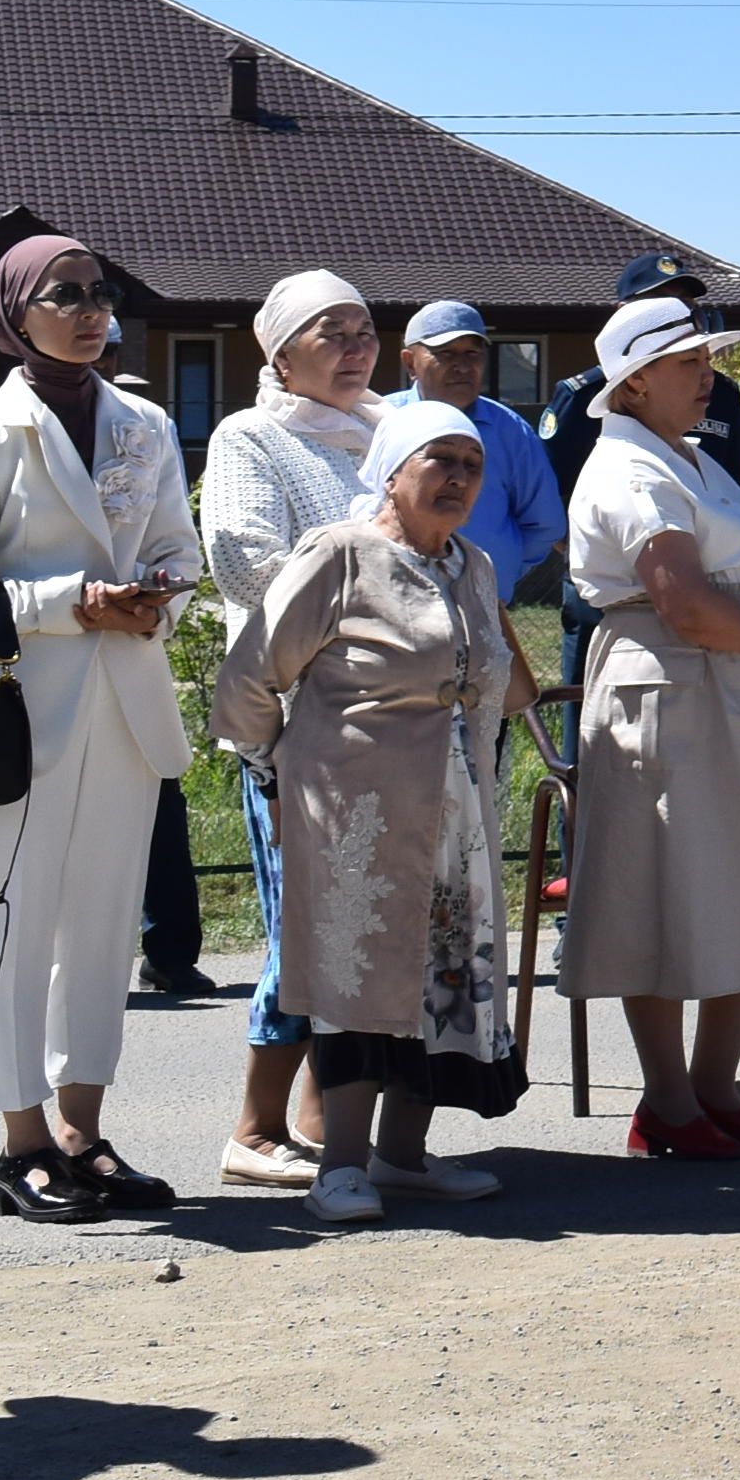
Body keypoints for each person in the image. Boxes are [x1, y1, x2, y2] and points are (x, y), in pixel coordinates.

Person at [0, 233, 207, 1226]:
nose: (90, 311)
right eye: (65, 295)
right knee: (11, 918)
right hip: (20, 715)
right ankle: (22, 1144)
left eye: (100, 293)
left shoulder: (146, 424)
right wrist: (69, 604)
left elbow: (179, 549)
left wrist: (154, 598)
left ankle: (83, 1132)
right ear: (16, 313)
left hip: (127, 705)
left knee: (102, 924)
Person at [206, 397, 533, 1222]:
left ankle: (402, 1158)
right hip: (353, 809)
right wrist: (273, 777)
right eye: (439, 460)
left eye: (471, 465)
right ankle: (340, 1167)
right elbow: (251, 677)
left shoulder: (472, 566)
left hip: (453, 811)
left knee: (438, 973)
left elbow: (497, 682)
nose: (458, 477)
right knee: (356, 974)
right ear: (391, 472)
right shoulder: (340, 554)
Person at [557, 294, 740, 1156]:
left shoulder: (693, 458)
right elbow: (683, 602)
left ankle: (715, 1087)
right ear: (633, 382)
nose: (707, 377)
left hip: (732, 684)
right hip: (667, 686)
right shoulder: (627, 469)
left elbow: (736, 572)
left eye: (707, 360)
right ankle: (667, 1101)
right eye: (687, 364)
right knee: (664, 886)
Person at [199, 268, 388, 1193]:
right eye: (331, 333)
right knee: (307, 925)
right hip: (295, 719)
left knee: (365, 923)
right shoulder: (251, 436)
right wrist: (374, 598)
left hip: (390, 717)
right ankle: (255, 1126)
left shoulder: (392, 430)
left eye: (364, 331)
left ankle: (323, 1122)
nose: (356, 349)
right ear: (281, 356)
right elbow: (244, 564)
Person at [539, 252, 740, 779]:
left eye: (686, 307)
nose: (678, 317)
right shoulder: (584, 395)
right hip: (622, 595)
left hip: (710, 591)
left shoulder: (721, 393)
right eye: (659, 305)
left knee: (703, 761)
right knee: (598, 749)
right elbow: (553, 492)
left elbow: (729, 487)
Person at [395, 302, 566, 602]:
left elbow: (544, 524)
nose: (463, 366)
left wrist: (498, 572)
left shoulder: (510, 430)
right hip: (395, 599)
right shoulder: (380, 422)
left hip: (483, 605)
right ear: (410, 363)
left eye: (472, 354)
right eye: (446, 353)